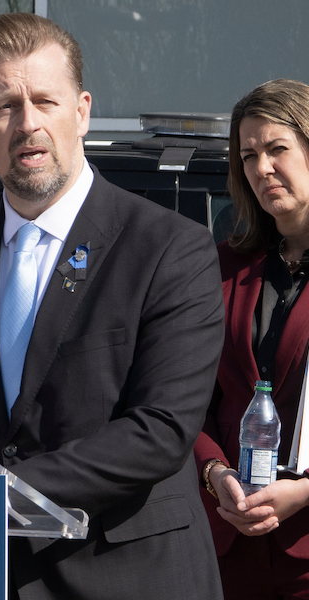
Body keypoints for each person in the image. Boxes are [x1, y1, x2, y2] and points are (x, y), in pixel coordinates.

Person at [0, 13, 225, 599]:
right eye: (5, 106)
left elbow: (160, 430)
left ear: (81, 112)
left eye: (45, 102)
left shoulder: (169, 249)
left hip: (125, 575)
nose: (28, 124)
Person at [194, 78, 309, 599]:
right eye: (248, 155)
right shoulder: (224, 267)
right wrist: (215, 472)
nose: (262, 168)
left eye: (277, 149)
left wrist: (303, 492)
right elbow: (186, 399)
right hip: (227, 546)